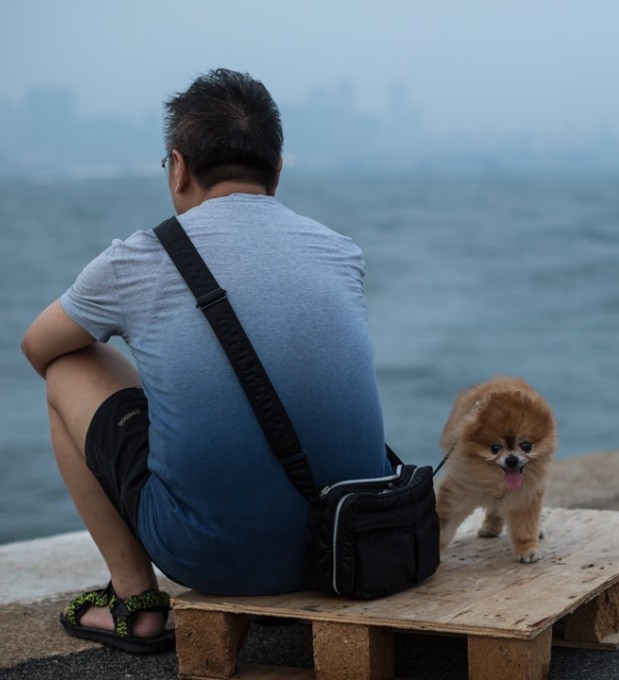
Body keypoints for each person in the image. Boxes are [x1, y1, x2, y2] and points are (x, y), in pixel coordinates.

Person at [21, 69, 390, 653]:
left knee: (70, 367)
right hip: (352, 541)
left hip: (212, 557)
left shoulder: (139, 258)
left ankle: (135, 602)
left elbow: (37, 347)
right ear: (277, 169)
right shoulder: (338, 249)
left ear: (178, 166)